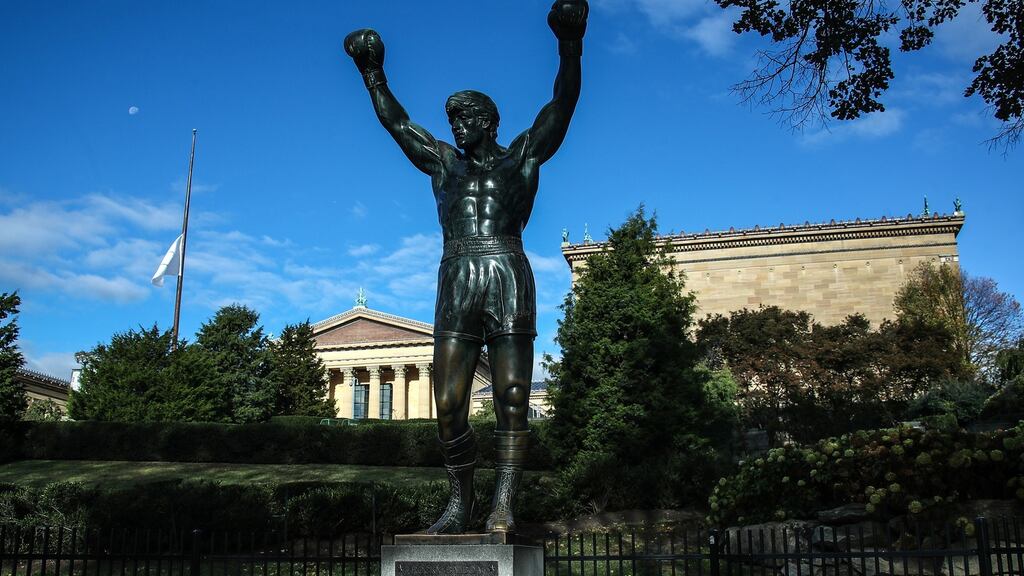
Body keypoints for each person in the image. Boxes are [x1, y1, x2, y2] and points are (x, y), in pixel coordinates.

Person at [344, 0, 588, 534]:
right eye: (451, 119)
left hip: (505, 268)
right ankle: (459, 504)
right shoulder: (442, 163)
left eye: (463, 119)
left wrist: (570, 43)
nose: (455, 127)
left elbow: (562, 104)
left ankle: (504, 504)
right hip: (457, 273)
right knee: (449, 401)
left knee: (513, 397)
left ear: (487, 121)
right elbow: (398, 123)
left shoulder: (521, 156)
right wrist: (373, 74)